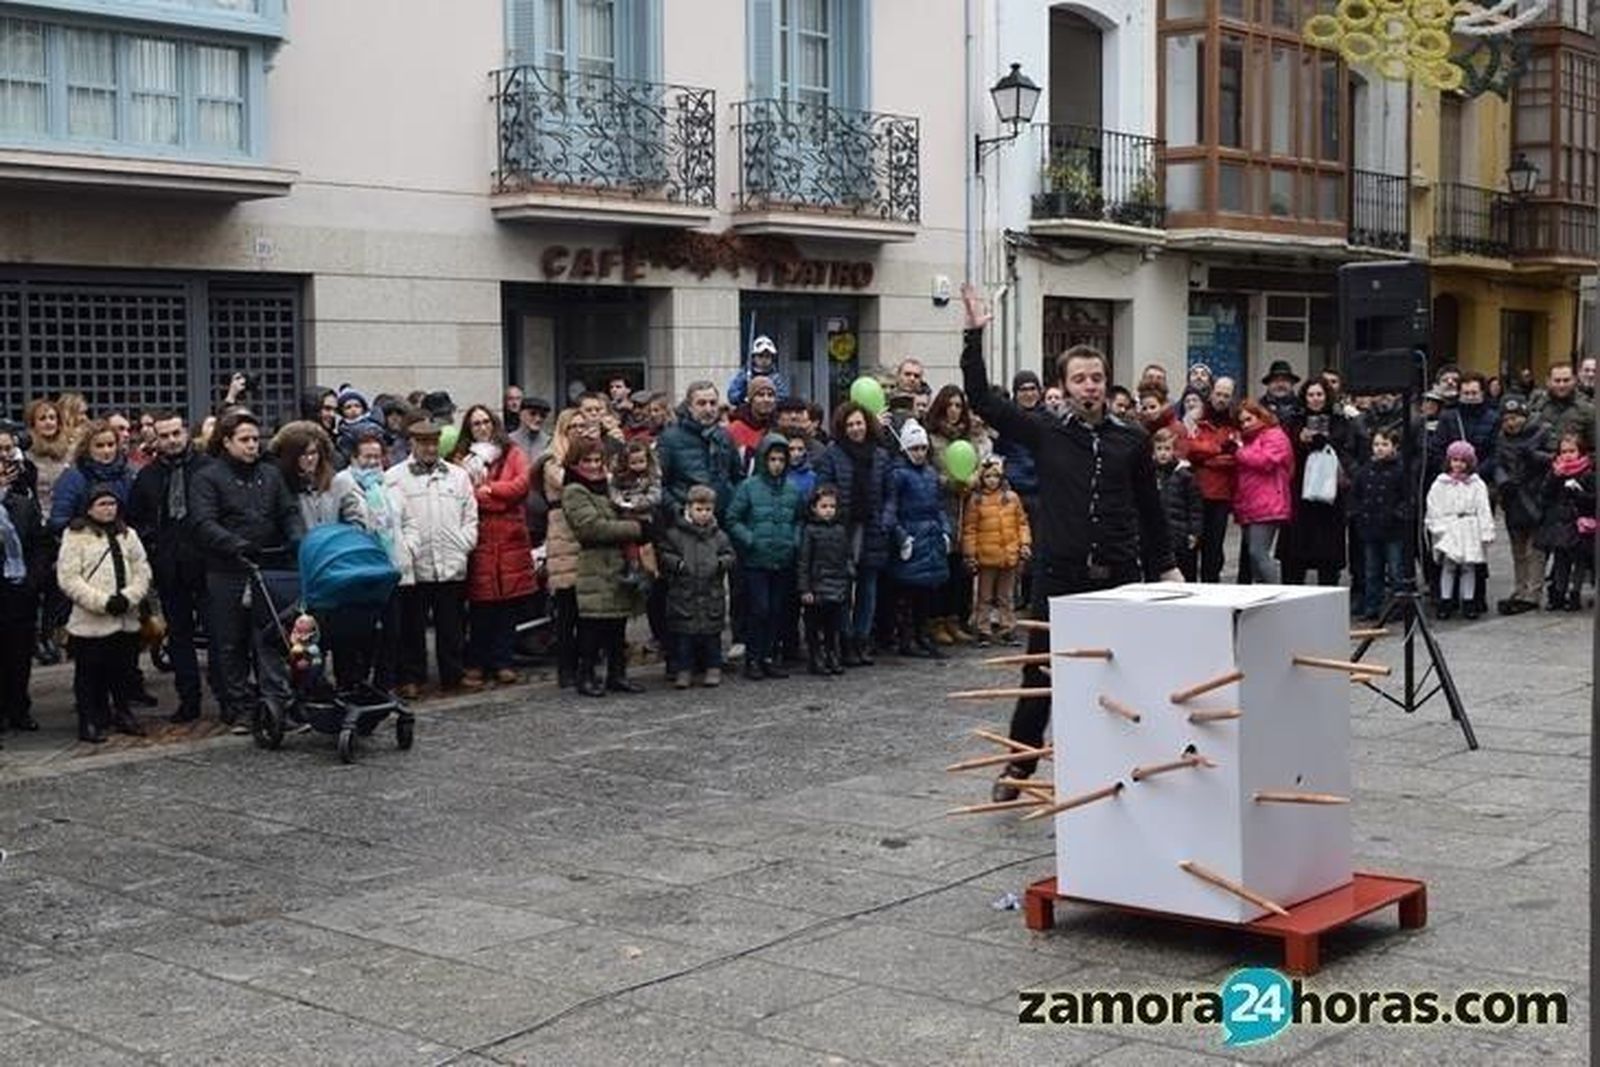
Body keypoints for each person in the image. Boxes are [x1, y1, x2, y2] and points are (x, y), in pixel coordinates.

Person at [961, 284, 1179, 800]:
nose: (1089, 387)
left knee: (1125, 672)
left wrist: (1166, 565)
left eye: (1097, 378)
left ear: (1107, 383)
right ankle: (1020, 765)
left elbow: (1151, 509)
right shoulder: (1044, 431)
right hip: (1060, 575)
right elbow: (983, 400)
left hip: (1120, 575)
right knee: (1041, 672)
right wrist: (974, 335)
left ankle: (1127, 761)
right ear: (1064, 384)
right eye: (1079, 379)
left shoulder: (1132, 439)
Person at [190, 411, 304, 733]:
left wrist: (296, 537)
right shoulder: (208, 477)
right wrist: (234, 543)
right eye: (245, 440)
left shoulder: (270, 474)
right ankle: (237, 706)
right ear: (227, 442)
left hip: (270, 566)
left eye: (255, 439)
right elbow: (202, 522)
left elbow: (288, 511)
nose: (252, 445)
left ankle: (277, 702)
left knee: (270, 638)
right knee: (230, 641)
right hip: (228, 569)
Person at [128, 412, 214, 723]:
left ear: (186, 433)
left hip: (206, 565)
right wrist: (154, 544)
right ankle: (188, 699)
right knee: (179, 637)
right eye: (164, 436)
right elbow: (135, 520)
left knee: (218, 634)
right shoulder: (147, 476)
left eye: (176, 433)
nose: (172, 440)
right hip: (169, 567)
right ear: (157, 439)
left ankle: (228, 697)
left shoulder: (208, 469)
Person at [385, 420, 478, 699]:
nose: (430, 448)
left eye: (434, 443)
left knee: (452, 624)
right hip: (415, 562)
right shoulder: (395, 477)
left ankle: (453, 673)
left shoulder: (457, 476)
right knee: (412, 626)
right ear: (412, 444)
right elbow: (392, 520)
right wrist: (405, 552)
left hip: (450, 561)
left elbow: (470, 516)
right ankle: (412, 677)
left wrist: (464, 544)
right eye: (423, 443)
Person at [58, 484, 151, 742]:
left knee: (122, 669)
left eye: (112, 504)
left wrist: (130, 596)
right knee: (89, 673)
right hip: (91, 619)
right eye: (102, 504)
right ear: (89, 508)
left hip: (125, 616)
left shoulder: (128, 534)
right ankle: (89, 718)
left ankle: (123, 712)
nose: (109, 509)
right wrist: (102, 601)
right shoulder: (75, 535)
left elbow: (142, 568)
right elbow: (68, 578)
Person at [452, 405, 535, 688]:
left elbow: (520, 486)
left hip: (510, 538)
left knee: (507, 607)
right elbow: (466, 496)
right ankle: (477, 661)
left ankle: (503, 661)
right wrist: (496, 496)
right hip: (481, 538)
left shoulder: (513, 453)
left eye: (486, 421)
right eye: (476, 423)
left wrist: (491, 490)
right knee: (481, 607)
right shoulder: (463, 459)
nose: (483, 427)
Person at [561, 439, 646, 697]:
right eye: (587, 461)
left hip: (617, 562)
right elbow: (592, 528)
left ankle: (617, 674)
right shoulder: (574, 491)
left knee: (617, 624)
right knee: (593, 626)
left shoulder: (608, 487)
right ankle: (585, 675)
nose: (593, 466)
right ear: (575, 463)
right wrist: (636, 529)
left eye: (598, 460)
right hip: (595, 563)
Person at [812, 401, 892, 667]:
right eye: (850, 425)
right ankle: (843, 641)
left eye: (859, 423)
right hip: (841, 530)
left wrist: (886, 518)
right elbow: (823, 490)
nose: (856, 429)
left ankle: (862, 639)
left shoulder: (880, 455)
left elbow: (889, 492)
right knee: (843, 589)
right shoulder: (832, 455)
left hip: (872, 527)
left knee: (868, 588)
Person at [329, 427, 406, 690]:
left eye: (377, 456)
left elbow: (402, 520)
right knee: (357, 634)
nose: (373, 462)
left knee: (392, 631)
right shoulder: (342, 481)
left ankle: (385, 685)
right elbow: (332, 522)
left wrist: (408, 549)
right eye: (367, 457)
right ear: (354, 457)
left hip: (389, 566)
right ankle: (352, 684)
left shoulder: (388, 482)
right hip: (358, 570)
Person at [727, 434, 802, 680]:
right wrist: (750, 540)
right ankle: (753, 657)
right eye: (772, 459)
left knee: (776, 610)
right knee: (759, 609)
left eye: (781, 459)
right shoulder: (749, 487)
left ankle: (769, 656)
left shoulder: (792, 490)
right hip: (755, 560)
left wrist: (794, 541)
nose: (777, 464)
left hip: (782, 558)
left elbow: (799, 519)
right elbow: (733, 518)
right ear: (763, 460)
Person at [925, 385, 991, 645]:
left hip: (966, 505)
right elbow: (929, 470)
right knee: (943, 564)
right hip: (942, 505)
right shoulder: (932, 438)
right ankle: (936, 619)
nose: (954, 411)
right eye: (949, 406)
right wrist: (949, 482)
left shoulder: (968, 438)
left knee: (961, 568)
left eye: (958, 406)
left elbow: (976, 465)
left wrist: (972, 480)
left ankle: (956, 618)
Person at [882, 419, 950, 659]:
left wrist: (945, 530)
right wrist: (901, 538)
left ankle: (923, 635)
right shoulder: (898, 474)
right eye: (914, 449)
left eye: (922, 448)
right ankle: (907, 638)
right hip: (911, 537)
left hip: (930, 537)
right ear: (905, 449)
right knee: (907, 595)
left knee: (927, 595)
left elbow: (939, 506)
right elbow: (890, 511)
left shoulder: (931, 474)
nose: (919, 453)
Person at [1275, 378, 1352, 587]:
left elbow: (1345, 449)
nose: (1315, 399)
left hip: (1329, 495)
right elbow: (1286, 450)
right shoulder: (1294, 420)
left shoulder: (1340, 420)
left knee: (1327, 556)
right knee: (1294, 553)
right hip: (1300, 493)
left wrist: (1324, 441)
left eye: (1319, 394)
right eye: (1311, 395)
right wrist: (1301, 441)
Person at [658, 484, 734, 689]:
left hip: (711, 593)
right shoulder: (676, 534)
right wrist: (678, 564)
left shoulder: (719, 535)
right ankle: (684, 670)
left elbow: (729, 554)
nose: (703, 514)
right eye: (699, 509)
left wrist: (720, 564)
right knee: (684, 638)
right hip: (684, 593)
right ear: (689, 508)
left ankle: (713, 667)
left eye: (708, 510)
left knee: (712, 637)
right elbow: (664, 554)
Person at [961, 456, 1031, 645]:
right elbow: (970, 529)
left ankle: (1007, 627)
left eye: (996, 476)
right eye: (988, 476)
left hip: (1009, 554)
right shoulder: (976, 501)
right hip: (986, 555)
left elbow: (1022, 523)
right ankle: (983, 629)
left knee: (1006, 596)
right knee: (984, 596)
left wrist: (1024, 544)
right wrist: (970, 554)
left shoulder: (1011, 498)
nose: (992, 480)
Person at [0, 433, 43, 738]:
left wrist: (31, 581)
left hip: (19, 590)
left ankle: (19, 708)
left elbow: (39, 546)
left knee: (19, 653)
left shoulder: (24, 506)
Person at [1425, 440, 1495, 620]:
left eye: (1463, 461)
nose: (1458, 464)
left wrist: (1486, 531)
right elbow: (1433, 507)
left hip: (1469, 527)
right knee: (1448, 566)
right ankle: (1445, 601)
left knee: (1468, 566)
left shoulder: (1476, 484)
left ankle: (1469, 601)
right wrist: (1438, 528)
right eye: (1454, 460)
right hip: (1449, 528)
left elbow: (1483, 508)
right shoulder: (1440, 483)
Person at [1494, 396, 1551, 615]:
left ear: (1524, 416)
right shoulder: (1502, 437)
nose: (1511, 423)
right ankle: (1520, 588)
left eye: (1515, 418)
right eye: (1507, 419)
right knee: (1517, 549)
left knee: (1535, 549)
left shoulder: (1542, 431)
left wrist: (1534, 455)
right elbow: (1498, 461)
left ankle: (1534, 592)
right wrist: (1502, 480)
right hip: (1512, 497)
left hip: (1536, 496)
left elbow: (1553, 458)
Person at [540, 410, 584, 688]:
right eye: (573, 427)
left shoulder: (591, 455)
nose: (579, 431)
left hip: (585, 528)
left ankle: (586, 661)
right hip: (562, 529)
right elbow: (568, 482)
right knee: (567, 604)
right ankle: (566, 667)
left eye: (583, 426)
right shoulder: (551, 459)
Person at [1350, 430, 1411, 623]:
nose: (1380, 448)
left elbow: (1408, 497)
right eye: (1376, 444)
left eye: (1384, 444)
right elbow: (1356, 495)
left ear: (1394, 447)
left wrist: (1397, 514)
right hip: (1370, 527)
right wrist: (1357, 514)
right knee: (1372, 570)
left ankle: (1398, 607)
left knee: (1396, 570)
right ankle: (1372, 606)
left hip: (1393, 529)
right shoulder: (1365, 470)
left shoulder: (1401, 470)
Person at [1232, 399, 1294, 584]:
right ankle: (1264, 595)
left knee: (1259, 553)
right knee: (1254, 558)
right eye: (1242, 421)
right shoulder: (1248, 440)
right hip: (1250, 504)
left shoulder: (1274, 435)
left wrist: (1241, 451)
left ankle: (1276, 594)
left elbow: (1266, 461)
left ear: (1260, 415)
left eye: (1249, 419)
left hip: (1268, 503)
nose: (1245, 424)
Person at [1184, 377, 1238, 583]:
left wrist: (1206, 459)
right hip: (1195, 493)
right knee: (1191, 547)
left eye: (1226, 395)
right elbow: (1190, 449)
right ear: (1211, 393)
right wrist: (1217, 450)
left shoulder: (1234, 423)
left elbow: (1234, 459)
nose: (1221, 399)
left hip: (1221, 495)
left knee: (1214, 550)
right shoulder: (1195, 418)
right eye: (1219, 393)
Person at [1536, 431, 1595, 612]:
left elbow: (1593, 499)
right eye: (1564, 452)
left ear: (1581, 452)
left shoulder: (1588, 472)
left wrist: (1579, 494)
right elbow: (1544, 495)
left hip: (1580, 524)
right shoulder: (1555, 470)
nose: (1567, 455)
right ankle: (1558, 595)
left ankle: (1574, 593)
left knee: (1579, 561)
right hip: (1558, 523)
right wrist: (1555, 477)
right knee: (1560, 560)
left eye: (1572, 451)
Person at [797, 485, 852, 675]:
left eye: (832, 506)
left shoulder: (840, 529)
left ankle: (831, 654)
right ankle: (816, 656)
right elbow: (804, 561)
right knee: (814, 626)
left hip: (836, 585)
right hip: (816, 586)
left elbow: (846, 557)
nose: (828, 510)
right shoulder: (810, 530)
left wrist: (848, 576)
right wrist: (805, 589)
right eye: (824, 506)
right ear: (814, 508)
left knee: (833, 626)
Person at [49, 420, 133, 534]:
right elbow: (59, 519)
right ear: (87, 448)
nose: (106, 451)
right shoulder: (73, 477)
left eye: (111, 444)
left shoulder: (127, 474)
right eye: (99, 446)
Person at [609, 439, 662, 592]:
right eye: (634, 462)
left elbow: (656, 495)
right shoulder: (620, 477)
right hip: (626, 514)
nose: (638, 465)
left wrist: (640, 502)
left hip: (645, 515)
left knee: (646, 546)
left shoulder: (652, 476)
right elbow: (614, 491)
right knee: (629, 544)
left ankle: (650, 572)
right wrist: (620, 501)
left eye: (641, 461)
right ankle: (633, 569)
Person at [273, 421, 345, 529]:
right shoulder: (281, 485)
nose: (310, 459)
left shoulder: (336, 481)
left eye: (313, 453)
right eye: (303, 454)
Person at [1152, 428, 1201, 582]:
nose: (1163, 453)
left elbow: (1195, 507)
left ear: (1174, 451)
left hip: (1180, 533)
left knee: (1185, 572)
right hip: (1158, 533)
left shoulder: (1184, 475)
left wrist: (1194, 532)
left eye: (1167, 449)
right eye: (1159, 449)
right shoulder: (1149, 474)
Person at [24, 398, 70, 519]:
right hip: (36, 516)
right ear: (33, 424)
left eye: (52, 418)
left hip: (66, 514)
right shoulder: (26, 454)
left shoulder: (69, 451)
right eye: (42, 418)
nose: (48, 422)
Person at [1532, 362, 1594, 450]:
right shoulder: (1537, 406)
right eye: (1557, 381)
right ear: (1548, 381)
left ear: (1575, 380)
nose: (1562, 385)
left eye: (1566, 380)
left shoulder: (1587, 409)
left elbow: (1594, 448)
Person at [727, 335, 790, 406]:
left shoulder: (776, 378)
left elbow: (784, 397)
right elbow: (732, 396)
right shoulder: (744, 375)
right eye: (760, 356)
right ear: (753, 357)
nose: (764, 360)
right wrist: (743, 395)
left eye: (767, 356)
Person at [1259, 359, 1303, 427]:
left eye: (1285, 380)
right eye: (1275, 381)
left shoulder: (1302, 406)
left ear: (1292, 383)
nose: (1280, 385)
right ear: (1268, 384)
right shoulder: (1259, 407)